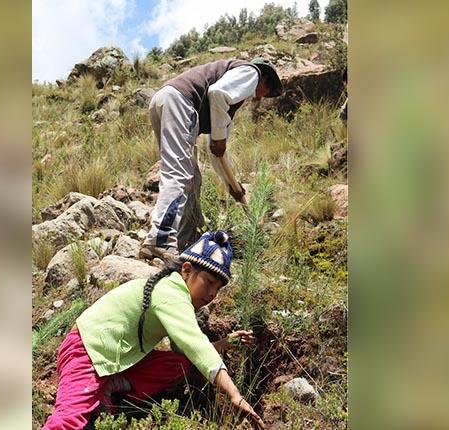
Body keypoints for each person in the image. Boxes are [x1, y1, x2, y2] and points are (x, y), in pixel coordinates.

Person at [42, 231, 265, 430]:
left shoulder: (174, 292)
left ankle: (111, 385)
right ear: (187, 270)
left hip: (116, 357)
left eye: (218, 288)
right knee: (69, 421)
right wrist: (234, 394)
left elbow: (191, 349)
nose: (212, 294)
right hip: (87, 351)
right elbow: (196, 343)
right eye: (208, 282)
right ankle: (106, 390)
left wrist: (224, 343)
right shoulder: (171, 294)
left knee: (179, 364)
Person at [139, 58, 282, 262]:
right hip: (180, 102)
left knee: (192, 180)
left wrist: (233, 186)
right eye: (266, 92)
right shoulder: (252, 73)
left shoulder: (228, 104)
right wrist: (219, 139)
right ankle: (160, 240)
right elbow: (217, 94)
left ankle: (184, 244)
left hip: (164, 100)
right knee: (179, 175)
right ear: (265, 80)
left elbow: (217, 152)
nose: (262, 97)